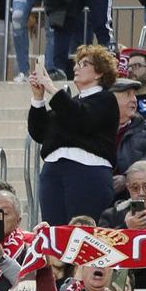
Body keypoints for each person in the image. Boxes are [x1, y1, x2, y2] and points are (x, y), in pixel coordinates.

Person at [29, 44, 122, 225]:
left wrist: (51, 87)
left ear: (99, 73)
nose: (76, 68)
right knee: (55, 235)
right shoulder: (70, 102)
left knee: (83, 234)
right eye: (76, 64)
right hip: (53, 171)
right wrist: (38, 99)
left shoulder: (106, 99)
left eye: (84, 63)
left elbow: (83, 119)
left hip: (87, 172)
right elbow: (40, 132)